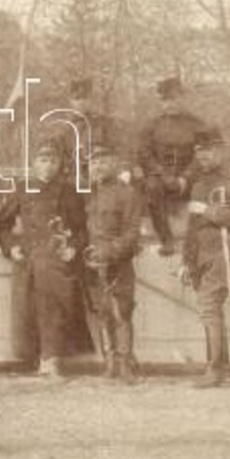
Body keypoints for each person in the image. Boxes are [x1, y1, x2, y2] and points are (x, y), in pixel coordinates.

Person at [0, 139, 88, 378]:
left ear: (59, 164)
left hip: (57, 259)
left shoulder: (69, 192)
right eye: (43, 160)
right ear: (34, 163)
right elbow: (1, 225)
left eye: (53, 160)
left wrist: (73, 248)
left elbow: (82, 229)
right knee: (29, 309)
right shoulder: (23, 188)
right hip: (29, 258)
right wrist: (11, 247)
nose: (48, 166)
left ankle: (52, 359)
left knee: (55, 309)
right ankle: (33, 358)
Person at [177, 128, 230, 389]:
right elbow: (191, 228)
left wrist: (207, 210)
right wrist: (186, 260)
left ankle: (215, 368)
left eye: (208, 150)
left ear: (221, 151)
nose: (203, 156)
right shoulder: (198, 184)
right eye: (199, 151)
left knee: (209, 307)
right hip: (199, 253)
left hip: (221, 251)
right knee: (210, 309)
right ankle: (220, 365)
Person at [82, 141, 145, 384]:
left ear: (115, 164)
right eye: (94, 162)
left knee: (122, 313)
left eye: (104, 161)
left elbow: (132, 232)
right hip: (92, 263)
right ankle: (108, 362)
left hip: (119, 262)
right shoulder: (85, 193)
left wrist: (111, 252)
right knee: (101, 313)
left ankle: (125, 362)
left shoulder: (127, 193)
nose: (98, 166)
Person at [137, 76, 210, 256]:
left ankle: (200, 240)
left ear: (183, 99)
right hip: (161, 179)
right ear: (161, 102)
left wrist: (186, 177)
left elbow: (203, 155)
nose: (171, 104)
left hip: (189, 179)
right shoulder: (151, 125)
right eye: (166, 100)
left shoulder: (197, 124)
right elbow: (144, 155)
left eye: (175, 99)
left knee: (205, 188)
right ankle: (166, 239)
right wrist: (163, 175)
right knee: (151, 187)